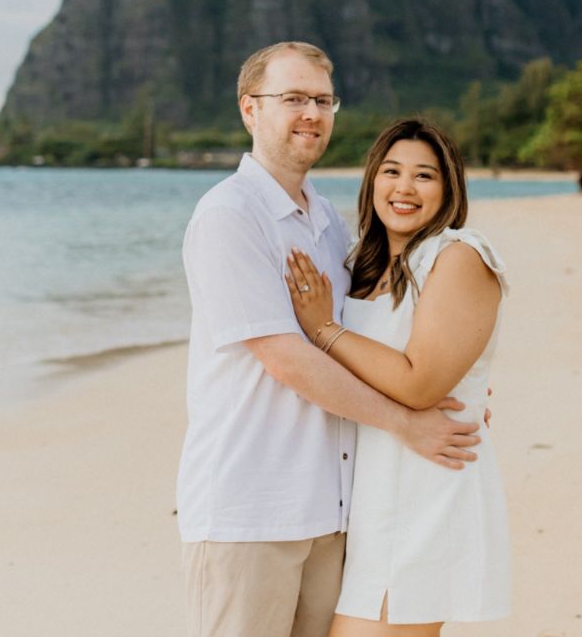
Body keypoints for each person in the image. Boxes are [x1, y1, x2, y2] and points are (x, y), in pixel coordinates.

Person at [177, 42, 483, 637]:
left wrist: (459, 387)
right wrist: (406, 421)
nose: (312, 114)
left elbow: (364, 340)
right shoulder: (229, 215)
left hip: (331, 511)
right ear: (250, 109)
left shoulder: (328, 223)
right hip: (251, 510)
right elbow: (285, 358)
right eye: (293, 98)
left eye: (323, 100)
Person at [285, 118, 510, 636]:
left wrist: (324, 328)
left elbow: (419, 384)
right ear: (372, 181)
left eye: (424, 175)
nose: (404, 187)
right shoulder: (361, 267)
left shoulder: (458, 256)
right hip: (368, 493)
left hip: (425, 486)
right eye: (391, 171)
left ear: (449, 189)